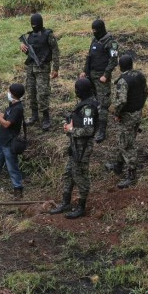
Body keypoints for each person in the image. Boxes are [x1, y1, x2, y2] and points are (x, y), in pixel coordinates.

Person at [50, 79, 99, 219]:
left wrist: (71, 130)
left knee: (80, 176)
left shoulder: (88, 107)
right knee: (68, 174)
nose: (76, 91)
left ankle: (81, 207)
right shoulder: (84, 104)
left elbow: (88, 130)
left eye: (77, 89)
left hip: (82, 148)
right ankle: (65, 202)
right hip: (75, 145)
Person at [105, 55, 148, 188]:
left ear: (120, 67)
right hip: (137, 113)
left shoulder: (123, 81)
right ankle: (118, 165)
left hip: (127, 116)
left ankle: (131, 175)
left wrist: (115, 112)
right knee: (124, 140)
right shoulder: (140, 75)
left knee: (127, 145)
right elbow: (145, 93)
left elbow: (122, 101)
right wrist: (139, 107)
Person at [80, 19, 119, 143]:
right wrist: (84, 71)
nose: (94, 32)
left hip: (102, 78)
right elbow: (89, 57)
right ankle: (91, 125)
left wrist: (106, 75)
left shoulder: (111, 42)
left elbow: (114, 60)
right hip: (91, 76)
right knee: (90, 101)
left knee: (103, 104)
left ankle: (102, 130)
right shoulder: (94, 40)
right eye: (92, 30)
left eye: (95, 30)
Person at [20, 13, 60, 131]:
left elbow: (55, 51)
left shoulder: (48, 34)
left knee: (42, 93)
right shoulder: (30, 36)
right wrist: (23, 47)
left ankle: (46, 118)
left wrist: (55, 68)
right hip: (30, 68)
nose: (33, 26)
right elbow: (27, 49)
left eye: (35, 24)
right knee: (31, 91)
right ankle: (34, 115)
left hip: (42, 68)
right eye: (32, 24)